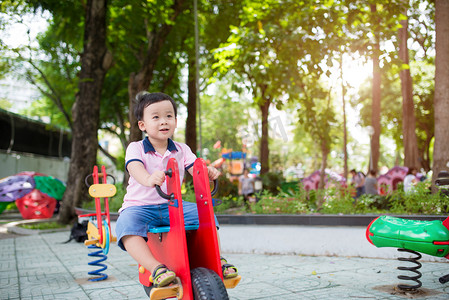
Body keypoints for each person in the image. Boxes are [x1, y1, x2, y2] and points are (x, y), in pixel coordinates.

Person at [115, 92, 238, 288]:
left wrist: (207, 172)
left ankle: (217, 259)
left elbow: (195, 168)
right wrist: (148, 178)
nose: (163, 121)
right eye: (155, 117)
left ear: (175, 121)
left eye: (168, 116)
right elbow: (134, 168)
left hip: (172, 204)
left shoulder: (181, 149)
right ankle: (156, 269)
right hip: (140, 207)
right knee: (125, 224)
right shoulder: (135, 147)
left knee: (205, 214)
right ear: (142, 125)